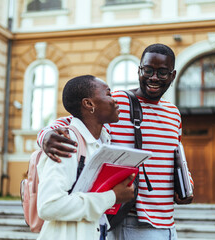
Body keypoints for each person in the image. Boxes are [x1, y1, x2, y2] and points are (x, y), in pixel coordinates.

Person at [37, 44, 194, 240]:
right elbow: (72, 121)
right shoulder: (117, 102)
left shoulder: (174, 114)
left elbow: (175, 157)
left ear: (172, 75)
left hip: (168, 222)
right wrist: (46, 136)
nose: (154, 77)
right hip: (132, 221)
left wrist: (186, 185)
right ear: (139, 70)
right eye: (148, 70)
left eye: (162, 72)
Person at [36, 75, 136, 240]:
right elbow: (49, 206)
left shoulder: (103, 142)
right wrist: (112, 196)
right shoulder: (67, 143)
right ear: (89, 104)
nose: (115, 100)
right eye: (109, 94)